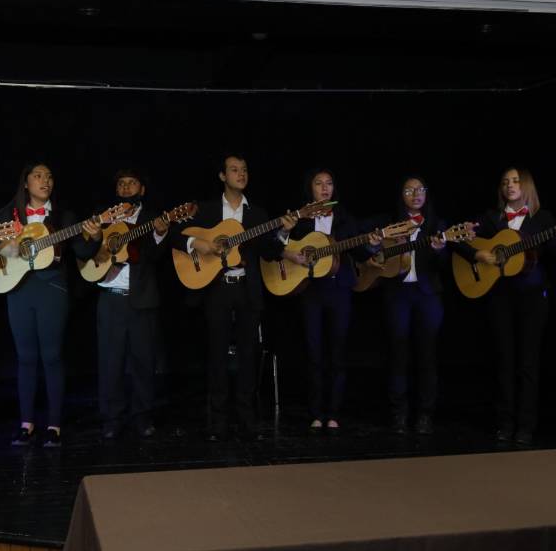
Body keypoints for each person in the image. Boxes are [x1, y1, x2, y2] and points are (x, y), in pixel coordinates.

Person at [0, 162, 99, 448]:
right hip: (18, 290)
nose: (45, 181)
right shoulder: (11, 214)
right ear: (26, 183)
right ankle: (26, 424)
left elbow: (83, 251)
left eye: (49, 177)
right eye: (38, 176)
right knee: (25, 357)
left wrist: (95, 236)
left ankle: (54, 425)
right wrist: (0, 246)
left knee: (52, 356)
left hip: (52, 289)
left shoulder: (64, 216)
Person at [455, 167, 556, 445]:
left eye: (516, 181)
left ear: (527, 186)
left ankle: (525, 426)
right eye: (505, 182)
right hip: (499, 297)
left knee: (528, 363)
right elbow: (456, 238)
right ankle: (504, 423)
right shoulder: (490, 218)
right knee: (504, 361)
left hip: (532, 298)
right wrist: (477, 254)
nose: (510, 185)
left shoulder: (542, 219)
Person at [180, 153, 294, 441]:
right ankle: (217, 424)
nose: (241, 174)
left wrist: (283, 232)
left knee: (248, 355)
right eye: (234, 169)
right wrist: (197, 243)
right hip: (217, 288)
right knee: (217, 355)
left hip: (247, 288)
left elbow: (270, 251)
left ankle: (247, 421)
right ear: (222, 176)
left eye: (244, 169)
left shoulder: (257, 213)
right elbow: (176, 237)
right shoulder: (207, 210)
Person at [279, 168, 376, 433]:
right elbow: (280, 246)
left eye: (329, 183)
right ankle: (316, 413)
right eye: (319, 183)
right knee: (313, 353)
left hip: (339, 289)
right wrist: (286, 234)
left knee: (338, 352)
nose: (324, 188)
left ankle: (333, 413)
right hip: (310, 289)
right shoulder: (301, 218)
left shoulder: (345, 218)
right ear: (310, 189)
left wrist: (373, 244)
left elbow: (360, 250)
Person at [89, 169, 170, 441]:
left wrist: (159, 235)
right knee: (110, 362)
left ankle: (142, 417)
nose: (125, 188)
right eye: (121, 184)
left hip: (141, 298)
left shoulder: (152, 219)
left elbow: (156, 256)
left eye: (132, 183)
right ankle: (111, 418)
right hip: (110, 297)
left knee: (143, 361)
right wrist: (95, 239)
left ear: (142, 189)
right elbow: (85, 252)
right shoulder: (104, 217)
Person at [378, 176, 448, 436]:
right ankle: (398, 413)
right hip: (398, 294)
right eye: (409, 190)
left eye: (420, 189)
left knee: (427, 354)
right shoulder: (390, 224)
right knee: (398, 354)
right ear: (401, 195)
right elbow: (374, 251)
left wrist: (440, 250)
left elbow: (445, 265)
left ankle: (425, 414)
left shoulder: (437, 225)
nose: (416, 194)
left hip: (427, 295)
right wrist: (375, 248)